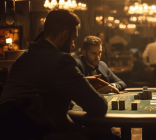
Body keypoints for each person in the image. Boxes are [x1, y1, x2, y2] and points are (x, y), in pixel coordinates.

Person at [0, 10, 112, 139]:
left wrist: (82, 82)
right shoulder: (61, 60)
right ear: (65, 35)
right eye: (74, 38)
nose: (73, 45)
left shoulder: (23, 58)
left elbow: (42, 94)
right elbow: (98, 106)